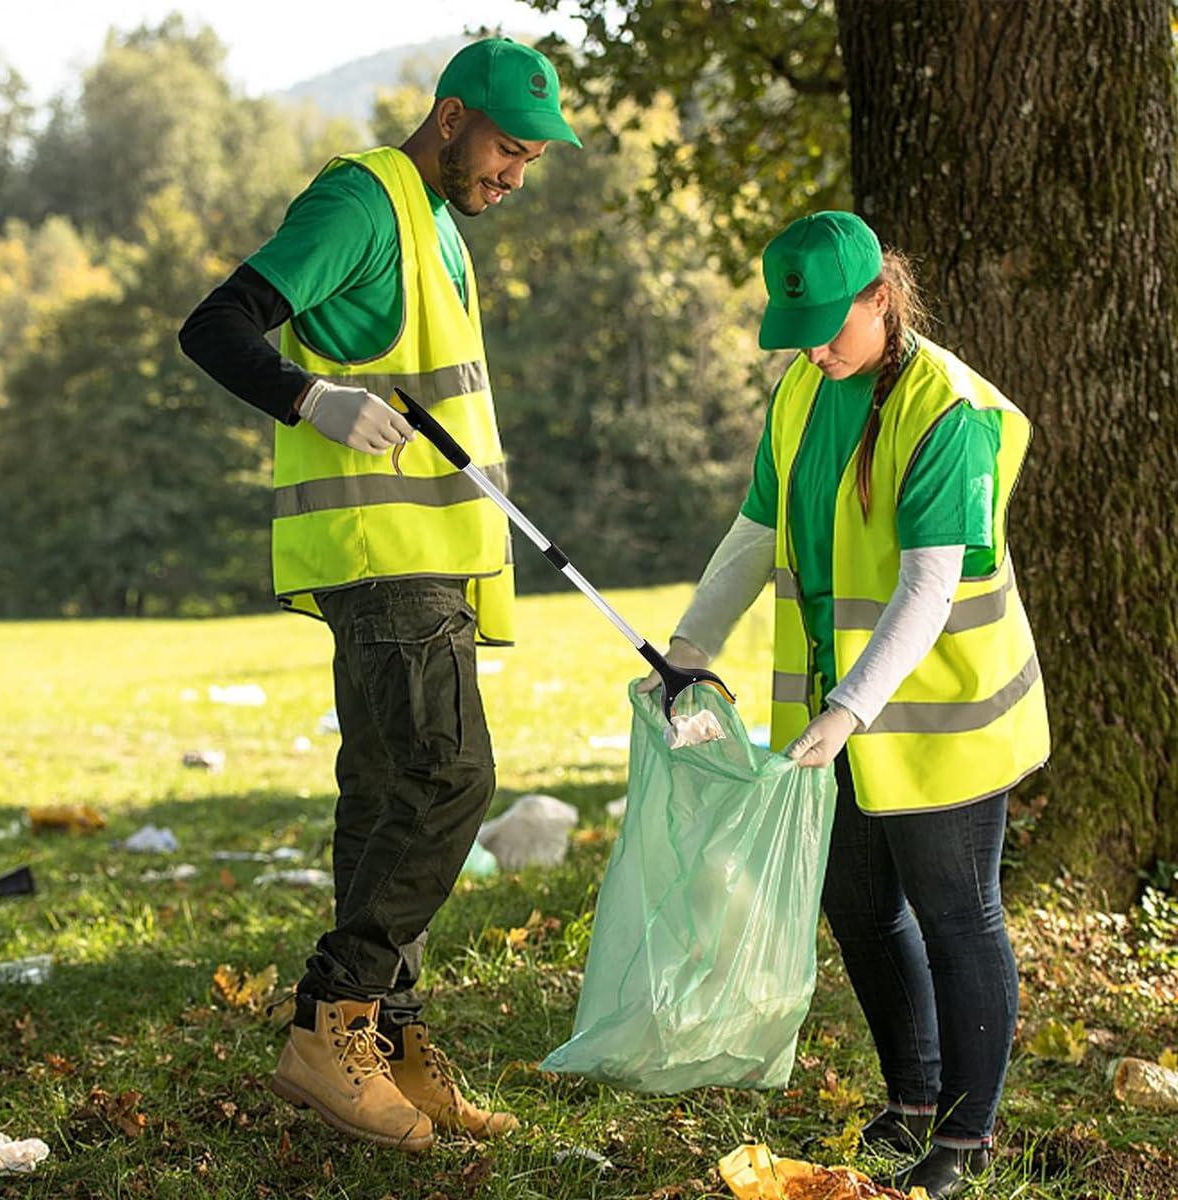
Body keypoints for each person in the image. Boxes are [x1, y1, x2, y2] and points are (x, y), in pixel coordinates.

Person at [179, 37, 581, 1151]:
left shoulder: (439, 223)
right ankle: (333, 1020)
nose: (516, 173)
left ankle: (389, 1042)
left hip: (423, 557)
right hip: (382, 555)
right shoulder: (366, 202)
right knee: (451, 779)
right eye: (507, 147)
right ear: (450, 118)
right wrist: (310, 398)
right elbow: (216, 324)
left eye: (532, 158)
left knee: (386, 792)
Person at [640, 211, 1049, 1198]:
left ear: (881, 297)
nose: (816, 351)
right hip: (844, 714)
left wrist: (850, 709)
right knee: (857, 903)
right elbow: (757, 528)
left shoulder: (943, 410)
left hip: (941, 712)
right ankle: (913, 1100)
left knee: (957, 913)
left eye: (830, 328)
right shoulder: (801, 391)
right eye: (800, 334)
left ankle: (966, 1137)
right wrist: (690, 647)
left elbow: (929, 586)